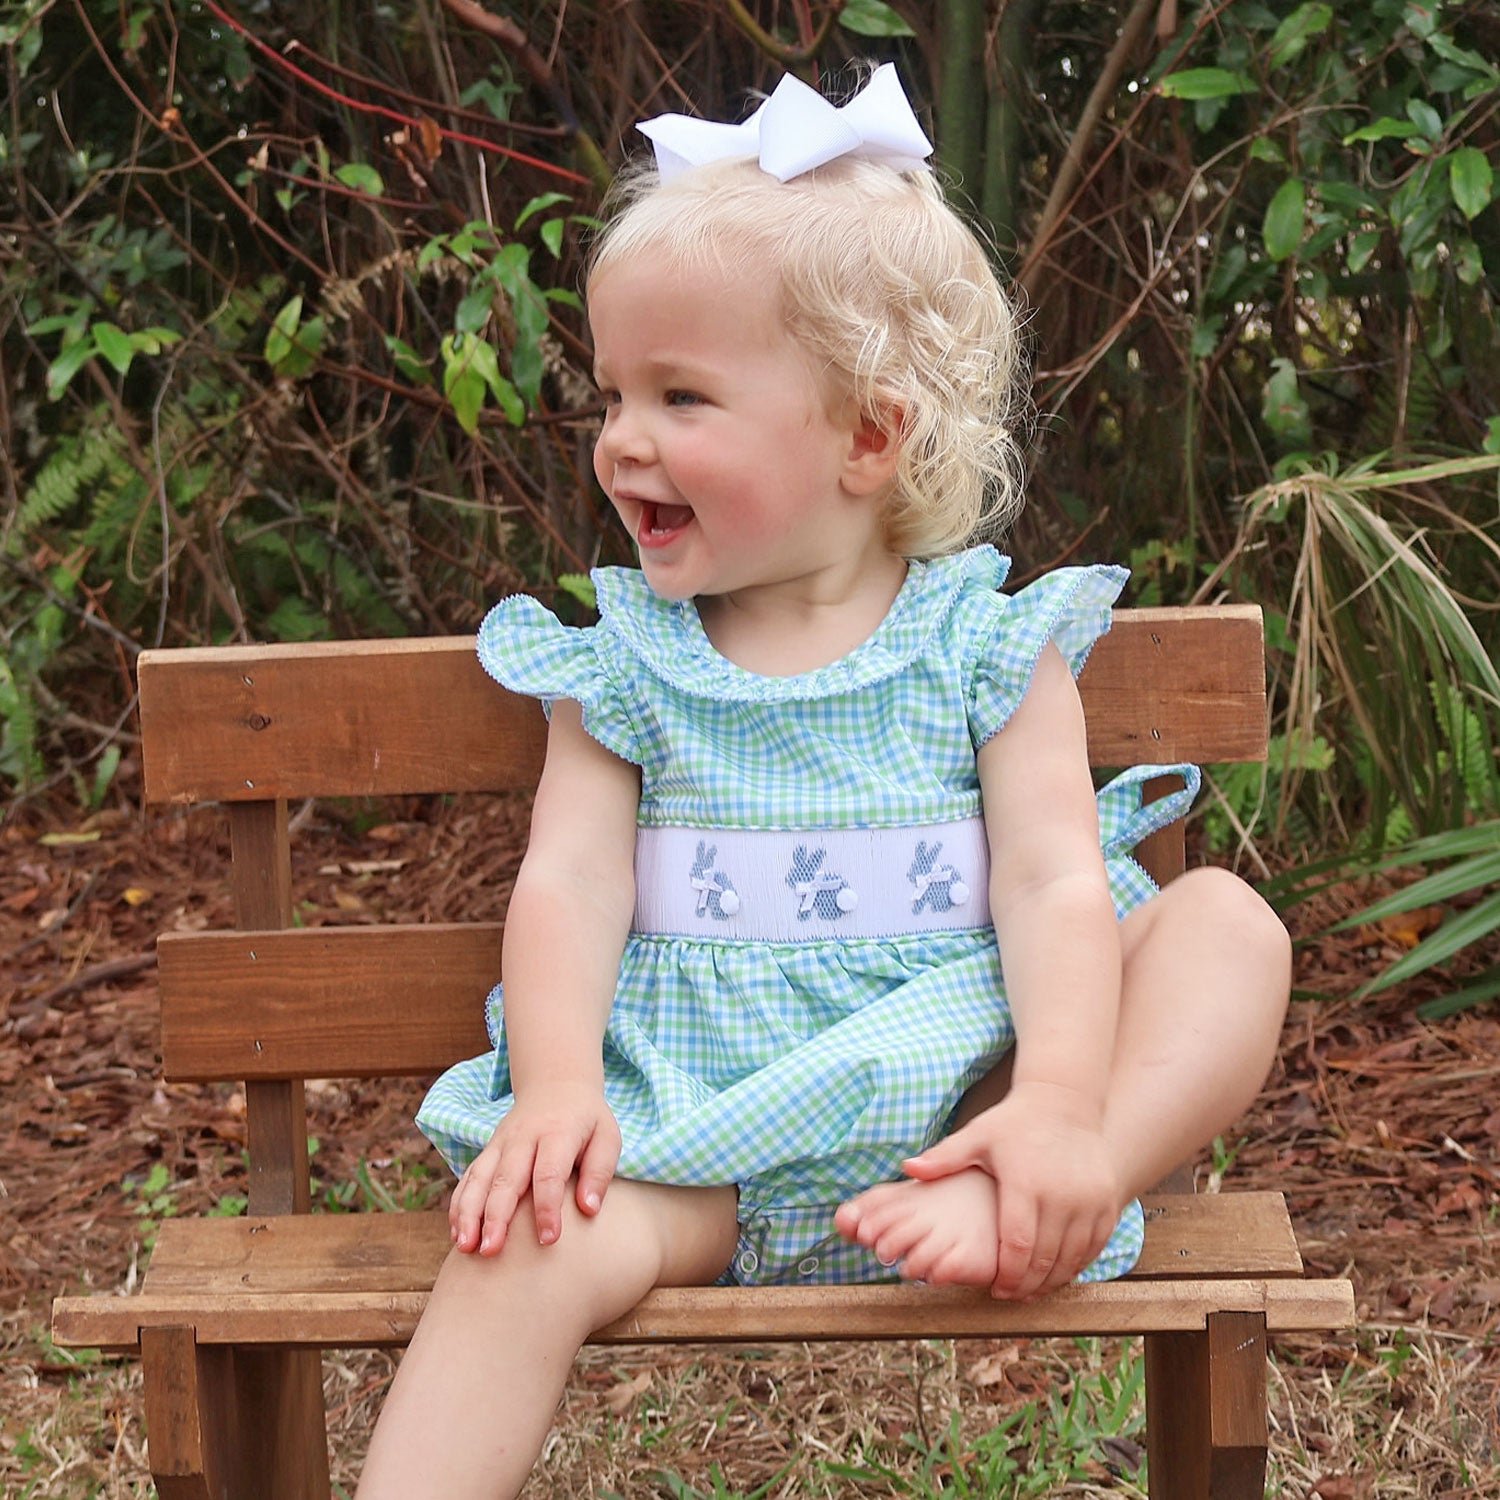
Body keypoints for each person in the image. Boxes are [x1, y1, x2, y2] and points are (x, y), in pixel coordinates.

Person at [356, 65, 1291, 1500]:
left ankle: (1063, 1176)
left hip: (965, 1118)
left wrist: (1052, 1101)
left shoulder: (986, 643)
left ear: (867, 435)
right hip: (693, 1154)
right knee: (518, 1250)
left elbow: (1052, 882)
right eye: (614, 394)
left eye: (681, 395)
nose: (623, 438)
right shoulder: (627, 662)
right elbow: (572, 881)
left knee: (1225, 922)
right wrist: (553, 1089)